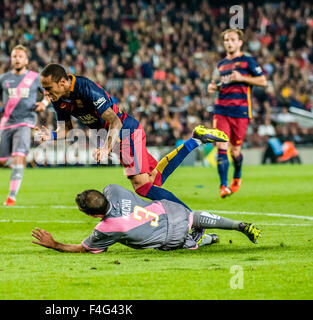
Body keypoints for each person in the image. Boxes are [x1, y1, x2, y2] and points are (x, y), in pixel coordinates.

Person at [37, 63, 229, 202]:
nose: (46, 94)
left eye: (48, 88)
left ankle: (190, 221)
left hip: (125, 131)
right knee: (154, 179)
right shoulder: (58, 98)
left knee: (143, 186)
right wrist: (51, 136)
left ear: (62, 82)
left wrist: (105, 148)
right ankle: (195, 140)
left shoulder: (86, 88)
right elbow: (67, 129)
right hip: (115, 140)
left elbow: (114, 122)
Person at [31, 184, 262, 253]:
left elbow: (82, 249)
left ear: (92, 215)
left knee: (184, 241)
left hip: (170, 239)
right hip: (172, 212)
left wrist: (55, 244)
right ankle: (236, 225)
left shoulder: (106, 228)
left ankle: (205, 239)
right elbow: (105, 192)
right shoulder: (114, 190)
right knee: (193, 217)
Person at [0, 45, 49, 206]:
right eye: (14, 56)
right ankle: (18, 166)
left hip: (25, 122)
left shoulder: (35, 77)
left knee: (18, 157)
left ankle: (11, 197)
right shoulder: (4, 79)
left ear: (26, 60)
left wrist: (44, 103)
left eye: (20, 56)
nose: (17, 59)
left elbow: (48, 92)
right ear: (11, 59)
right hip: (6, 124)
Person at [208, 29, 267, 198]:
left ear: (240, 42)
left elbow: (263, 81)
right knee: (221, 147)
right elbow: (217, 84)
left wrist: (242, 78)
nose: (229, 42)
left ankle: (237, 175)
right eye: (226, 40)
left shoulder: (248, 61)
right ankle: (223, 186)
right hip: (221, 110)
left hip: (240, 111)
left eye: (233, 39)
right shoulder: (221, 65)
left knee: (235, 152)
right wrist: (213, 87)